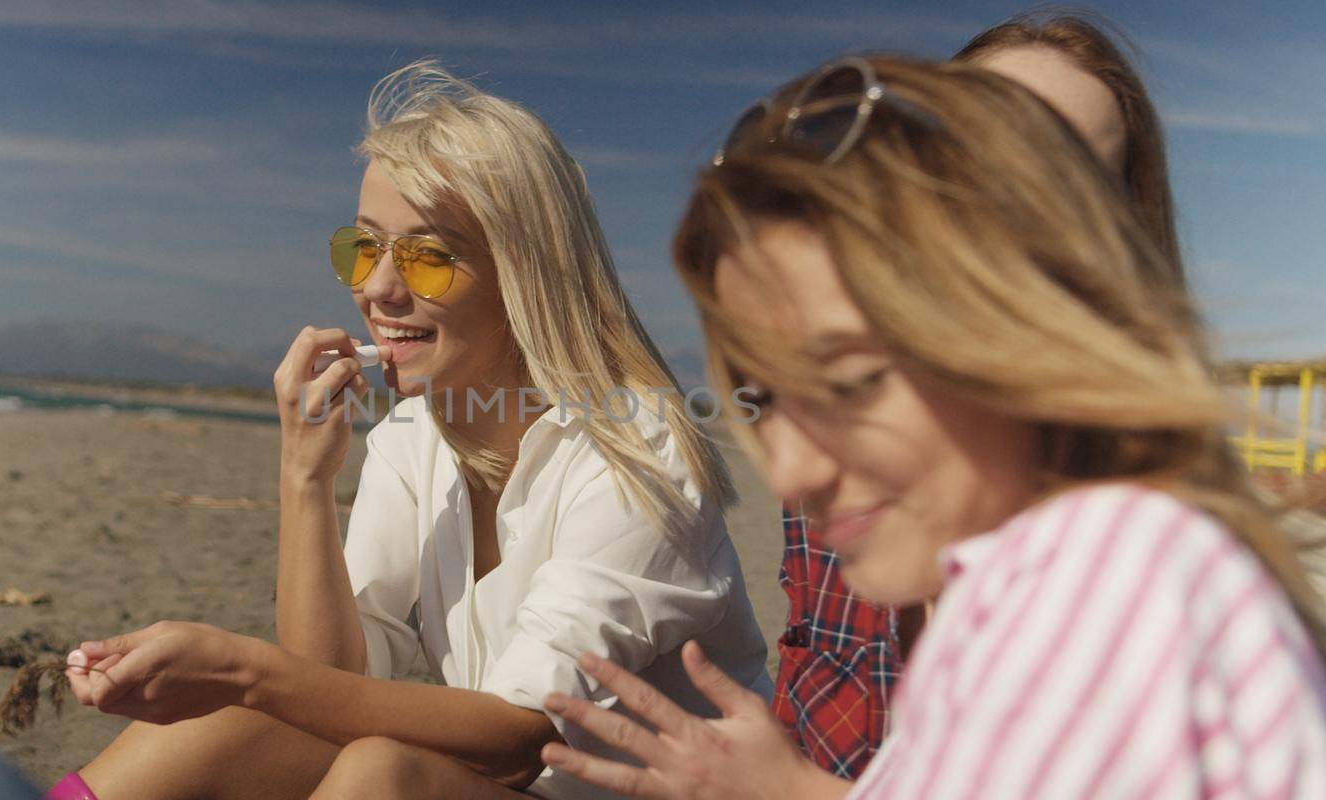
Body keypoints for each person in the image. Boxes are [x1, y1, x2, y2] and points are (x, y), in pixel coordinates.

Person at [540, 55, 1326, 798]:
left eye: (851, 382)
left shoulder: (1107, 573)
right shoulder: (1000, 592)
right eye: (765, 399)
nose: (787, 475)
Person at [52, 61, 770, 800]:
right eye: (363, 249)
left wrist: (244, 669)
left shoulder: (635, 449)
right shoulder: (412, 438)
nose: (377, 289)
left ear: (525, 274)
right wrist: (305, 476)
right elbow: (326, 693)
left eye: (428, 257)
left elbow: (522, 739)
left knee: (378, 772)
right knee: (227, 722)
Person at [769, 12, 1207, 779]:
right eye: (971, 155)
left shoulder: (1148, 534)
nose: (1006, 212)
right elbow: (810, 675)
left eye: (1063, 179)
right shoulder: (828, 450)